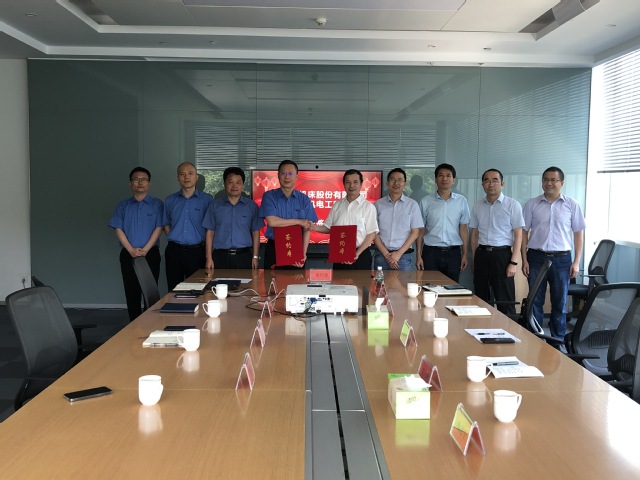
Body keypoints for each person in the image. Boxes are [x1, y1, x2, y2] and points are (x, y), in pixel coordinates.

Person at [521, 166, 585, 339]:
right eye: (545, 180)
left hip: (562, 259)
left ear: (561, 183)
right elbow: (524, 233)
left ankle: (557, 340)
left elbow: (578, 234)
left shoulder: (572, 205)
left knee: (559, 303)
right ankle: (536, 339)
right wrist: (524, 259)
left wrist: (577, 262)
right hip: (536, 258)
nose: (549, 183)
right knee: (535, 301)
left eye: (553, 180)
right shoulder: (532, 204)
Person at [108, 167, 164, 321]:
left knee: (150, 292)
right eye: (136, 179)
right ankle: (133, 326)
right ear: (130, 183)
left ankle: (150, 324)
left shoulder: (157, 204)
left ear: (149, 184)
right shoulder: (123, 205)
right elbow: (118, 228)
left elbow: (159, 228)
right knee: (131, 292)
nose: (140, 182)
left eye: (144, 179)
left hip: (151, 253)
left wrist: (145, 249)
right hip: (128, 254)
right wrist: (131, 250)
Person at [469, 168, 524, 316]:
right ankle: (482, 327)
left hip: (502, 256)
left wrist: (513, 263)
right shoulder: (477, 206)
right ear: (482, 185)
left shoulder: (512, 205)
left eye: (495, 180)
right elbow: (475, 234)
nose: (491, 184)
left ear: (502, 184)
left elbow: (518, 235)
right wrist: (474, 259)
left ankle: (509, 328)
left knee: (504, 299)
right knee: (481, 297)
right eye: (487, 181)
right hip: (481, 254)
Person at [311, 169, 379, 270]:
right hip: (339, 253)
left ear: (361, 184)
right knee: (339, 280)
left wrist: (357, 253)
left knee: (360, 280)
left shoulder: (368, 207)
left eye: (355, 182)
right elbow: (329, 228)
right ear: (343, 184)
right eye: (348, 182)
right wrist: (313, 227)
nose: (351, 186)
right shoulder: (337, 205)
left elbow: (372, 233)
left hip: (360, 254)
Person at [258, 160, 318, 269]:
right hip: (274, 248)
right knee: (272, 279)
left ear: (296, 176)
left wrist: (303, 253)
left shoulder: (304, 199)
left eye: (290, 174)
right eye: (283, 173)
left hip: (297, 248)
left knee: (296, 279)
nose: (287, 177)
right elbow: (272, 222)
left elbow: (307, 228)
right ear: (278, 175)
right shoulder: (269, 196)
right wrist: (299, 221)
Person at [163, 162, 213, 290]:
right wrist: (177, 238)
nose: (186, 177)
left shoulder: (207, 200)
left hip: (197, 252)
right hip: (174, 252)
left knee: (197, 290)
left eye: (190, 173)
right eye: (182, 174)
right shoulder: (170, 200)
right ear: (178, 178)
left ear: (196, 177)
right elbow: (166, 225)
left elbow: (211, 228)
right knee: (174, 290)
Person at [416, 163, 470, 282]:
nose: (444, 178)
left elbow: (464, 228)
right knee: (430, 288)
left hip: (453, 253)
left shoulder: (461, 201)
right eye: (440, 175)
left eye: (448, 175)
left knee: (452, 288)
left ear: (454, 180)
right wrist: (418, 256)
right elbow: (421, 229)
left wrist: (465, 254)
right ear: (436, 179)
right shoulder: (426, 201)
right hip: (430, 253)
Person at [202, 167, 263, 270]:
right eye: (230, 182)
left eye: (238, 182)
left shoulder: (251, 206)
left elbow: (255, 233)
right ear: (225, 184)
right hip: (220, 256)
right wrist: (209, 258)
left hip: (244, 256)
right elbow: (210, 233)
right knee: (219, 281)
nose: (234, 185)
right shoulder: (215, 206)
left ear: (243, 185)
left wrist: (255, 257)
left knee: (246, 281)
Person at [373, 168, 424, 270]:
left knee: (403, 281)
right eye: (392, 179)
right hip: (381, 255)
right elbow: (374, 232)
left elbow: (415, 233)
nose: (396, 183)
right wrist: (387, 255)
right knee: (380, 281)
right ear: (387, 183)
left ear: (404, 184)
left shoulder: (412, 205)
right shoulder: (378, 205)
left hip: (403, 257)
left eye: (400, 180)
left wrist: (398, 254)